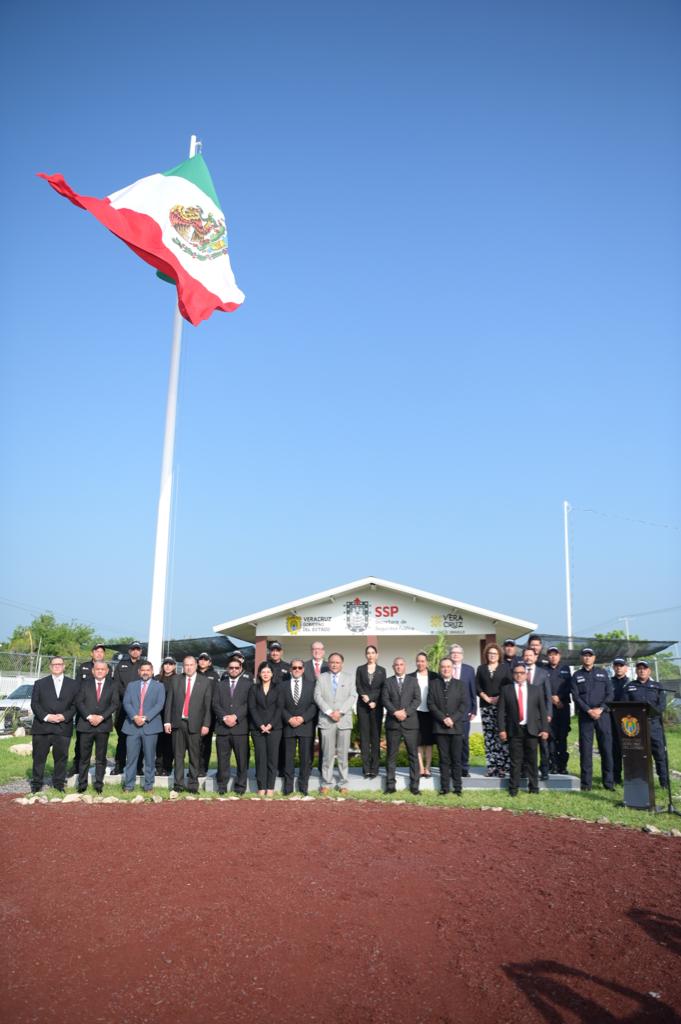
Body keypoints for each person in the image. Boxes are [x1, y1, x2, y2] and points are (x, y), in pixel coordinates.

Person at [498, 663, 549, 796]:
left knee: (532, 760)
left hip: (532, 730)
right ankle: (513, 789)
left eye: (521, 673)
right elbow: (501, 711)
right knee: (515, 761)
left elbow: (542, 710)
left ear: (526, 674)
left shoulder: (535, 689)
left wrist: (545, 729)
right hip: (514, 730)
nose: (519, 675)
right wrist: (502, 729)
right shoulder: (506, 690)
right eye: (516, 673)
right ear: (513, 675)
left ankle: (534, 788)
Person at [30, 656, 80, 793]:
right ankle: (36, 784)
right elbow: (35, 704)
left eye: (59, 664)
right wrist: (47, 717)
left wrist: (64, 716)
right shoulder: (40, 683)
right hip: (42, 727)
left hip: (63, 726)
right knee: (39, 757)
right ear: (50, 667)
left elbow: (76, 704)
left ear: (64, 666)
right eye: (54, 664)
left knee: (61, 758)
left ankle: (58, 784)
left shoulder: (74, 684)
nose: (57, 666)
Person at [164, 655, 213, 793]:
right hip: (178, 723)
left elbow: (207, 706)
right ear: (183, 666)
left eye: (191, 665)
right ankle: (178, 784)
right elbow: (169, 702)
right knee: (178, 756)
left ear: (196, 666)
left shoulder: (205, 682)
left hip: (196, 724)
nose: (189, 667)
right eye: (186, 665)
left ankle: (192, 785)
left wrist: (206, 724)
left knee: (194, 756)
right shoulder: (176, 680)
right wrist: (167, 721)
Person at [571, 647, 615, 791]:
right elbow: (576, 696)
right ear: (581, 658)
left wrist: (600, 709)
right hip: (586, 716)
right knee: (585, 750)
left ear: (594, 658)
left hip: (603, 715)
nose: (587, 658)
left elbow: (610, 694)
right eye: (585, 655)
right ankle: (586, 784)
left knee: (606, 748)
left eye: (590, 655)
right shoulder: (576, 675)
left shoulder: (603, 673)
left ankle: (608, 783)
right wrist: (589, 710)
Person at [623, 660, 669, 789]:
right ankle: (640, 782)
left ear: (649, 671)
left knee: (659, 754)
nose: (642, 670)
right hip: (636, 727)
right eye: (639, 668)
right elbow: (625, 706)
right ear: (636, 671)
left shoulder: (657, 686)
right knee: (638, 756)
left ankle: (664, 783)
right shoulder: (630, 686)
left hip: (654, 725)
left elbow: (661, 705)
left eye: (644, 668)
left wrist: (651, 713)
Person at [121, 660, 166, 793]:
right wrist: (135, 717)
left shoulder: (159, 686)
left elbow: (159, 705)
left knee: (150, 759)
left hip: (150, 726)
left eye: (148, 670)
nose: (145, 672)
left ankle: (148, 785)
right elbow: (126, 703)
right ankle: (129, 786)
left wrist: (145, 718)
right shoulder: (131, 685)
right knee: (131, 759)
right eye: (143, 670)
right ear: (139, 672)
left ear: (152, 672)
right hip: (132, 726)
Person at [314, 652, 355, 795]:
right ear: (328, 663)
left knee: (343, 754)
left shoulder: (349, 678)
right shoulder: (321, 678)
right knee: (327, 754)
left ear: (342, 664)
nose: (334, 665)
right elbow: (317, 696)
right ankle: (326, 782)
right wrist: (330, 712)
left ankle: (343, 783)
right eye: (332, 662)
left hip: (344, 720)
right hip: (327, 720)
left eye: (337, 662)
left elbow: (352, 696)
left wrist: (340, 712)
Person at [75, 658, 118, 793]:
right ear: (93, 671)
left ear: (107, 671)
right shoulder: (84, 684)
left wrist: (101, 717)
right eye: (97, 669)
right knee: (84, 757)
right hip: (86, 724)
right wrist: (89, 716)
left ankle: (99, 784)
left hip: (103, 725)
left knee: (101, 757)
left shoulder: (113, 685)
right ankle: (82, 784)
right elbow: (79, 702)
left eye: (102, 669)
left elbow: (114, 704)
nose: (100, 671)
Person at [427, 657, 468, 795]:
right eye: (443, 666)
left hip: (456, 728)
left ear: (452, 669)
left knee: (456, 759)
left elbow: (464, 705)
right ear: (440, 668)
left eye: (448, 666)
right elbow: (431, 704)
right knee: (444, 759)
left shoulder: (460, 684)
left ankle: (457, 788)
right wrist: (443, 718)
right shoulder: (434, 684)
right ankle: (444, 788)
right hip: (440, 727)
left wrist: (453, 719)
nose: (446, 669)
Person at [212, 656, 251, 795]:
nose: (234, 670)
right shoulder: (220, 684)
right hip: (223, 728)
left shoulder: (248, 684)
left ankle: (240, 787)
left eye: (236, 668)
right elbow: (215, 704)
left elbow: (248, 704)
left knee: (242, 760)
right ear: (227, 669)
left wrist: (236, 716)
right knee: (222, 760)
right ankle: (222, 787)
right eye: (231, 668)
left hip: (240, 728)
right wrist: (224, 717)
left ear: (241, 669)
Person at [382, 657, 421, 795]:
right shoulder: (388, 682)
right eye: (396, 665)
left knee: (413, 755)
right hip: (393, 724)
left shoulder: (413, 681)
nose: (399, 667)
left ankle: (414, 786)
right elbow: (385, 699)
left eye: (401, 664)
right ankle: (390, 786)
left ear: (405, 666)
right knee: (391, 755)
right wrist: (395, 712)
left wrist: (406, 712)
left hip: (410, 723)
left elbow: (417, 699)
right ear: (393, 667)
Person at [280, 658, 318, 795]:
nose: (297, 670)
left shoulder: (311, 685)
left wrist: (303, 718)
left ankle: (303, 788)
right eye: (294, 667)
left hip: (305, 725)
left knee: (305, 759)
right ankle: (288, 788)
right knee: (288, 758)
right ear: (290, 669)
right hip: (288, 725)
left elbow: (314, 705)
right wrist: (289, 718)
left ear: (303, 669)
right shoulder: (282, 685)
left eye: (299, 668)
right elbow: (279, 705)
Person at [475, 642, 511, 778]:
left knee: (501, 735)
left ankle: (502, 767)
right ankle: (491, 767)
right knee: (489, 737)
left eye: (495, 653)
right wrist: (486, 697)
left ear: (499, 655)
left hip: (501, 707)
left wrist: (499, 697)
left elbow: (509, 685)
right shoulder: (481, 669)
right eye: (490, 653)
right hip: (485, 706)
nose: (492, 656)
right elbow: (477, 686)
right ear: (486, 655)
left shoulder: (505, 668)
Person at [71, 642, 108, 773]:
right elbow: (77, 688)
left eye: (101, 651)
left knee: (101, 746)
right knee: (80, 742)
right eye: (96, 651)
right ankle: (77, 766)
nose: (99, 653)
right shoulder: (84, 667)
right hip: (84, 711)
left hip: (101, 713)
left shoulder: (107, 668)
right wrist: (86, 713)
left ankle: (99, 771)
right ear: (92, 653)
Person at [248, 663, 282, 796]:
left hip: (275, 728)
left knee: (272, 758)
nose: (266, 674)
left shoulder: (278, 688)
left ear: (272, 674)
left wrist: (270, 725)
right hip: (258, 729)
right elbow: (252, 708)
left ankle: (270, 787)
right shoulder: (254, 688)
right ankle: (261, 787)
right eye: (263, 672)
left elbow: (279, 708)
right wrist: (261, 725)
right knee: (260, 758)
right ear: (259, 674)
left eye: (268, 672)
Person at [111, 641, 144, 775]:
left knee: (139, 738)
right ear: (129, 651)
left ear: (141, 651)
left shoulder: (145, 665)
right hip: (123, 706)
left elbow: (147, 683)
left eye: (138, 649)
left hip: (140, 707)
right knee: (122, 737)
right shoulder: (121, 664)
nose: (135, 651)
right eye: (133, 649)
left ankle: (138, 767)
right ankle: (119, 765)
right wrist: (128, 696)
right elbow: (116, 684)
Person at [355, 644, 386, 779]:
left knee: (375, 737)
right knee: (364, 737)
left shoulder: (382, 670)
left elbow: (382, 688)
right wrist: (366, 698)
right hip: (363, 706)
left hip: (376, 707)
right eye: (368, 653)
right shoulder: (360, 669)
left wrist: (373, 700)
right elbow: (358, 686)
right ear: (365, 655)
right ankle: (366, 768)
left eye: (373, 652)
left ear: (377, 655)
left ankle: (375, 768)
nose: (370, 655)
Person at [522, 647, 552, 780]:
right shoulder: (519, 672)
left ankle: (544, 770)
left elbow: (548, 695)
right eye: (526, 655)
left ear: (535, 657)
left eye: (531, 655)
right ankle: (526, 770)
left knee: (543, 744)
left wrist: (548, 713)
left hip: (540, 715)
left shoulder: (543, 673)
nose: (528, 657)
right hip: (524, 715)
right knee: (526, 744)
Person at [449, 644, 477, 776]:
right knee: (451, 741)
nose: (455, 655)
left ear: (462, 655)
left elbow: (473, 690)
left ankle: (464, 767)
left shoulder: (469, 670)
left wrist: (474, 709)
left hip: (465, 711)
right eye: (453, 652)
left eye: (458, 653)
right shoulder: (446, 668)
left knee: (464, 740)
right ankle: (452, 767)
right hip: (449, 713)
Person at [545, 647, 572, 774]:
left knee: (562, 736)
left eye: (555, 654)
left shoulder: (565, 669)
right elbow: (542, 687)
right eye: (550, 655)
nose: (553, 657)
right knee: (551, 737)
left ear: (559, 656)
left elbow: (569, 686)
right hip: (549, 707)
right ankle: (554, 765)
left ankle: (563, 765)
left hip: (563, 706)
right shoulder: (544, 670)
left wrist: (559, 698)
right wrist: (552, 698)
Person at [414, 651, 439, 779]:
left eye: (423, 661)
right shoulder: (411, 677)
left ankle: (428, 768)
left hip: (430, 713)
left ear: (427, 662)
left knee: (428, 742)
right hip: (416, 712)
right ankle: (420, 767)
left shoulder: (435, 676)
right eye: (418, 661)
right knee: (418, 742)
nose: (420, 663)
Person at [303, 641, 327, 771]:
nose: (317, 651)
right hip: (308, 707)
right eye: (314, 649)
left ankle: (322, 767)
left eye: (319, 649)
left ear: (323, 651)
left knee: (324, 738)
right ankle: (308, 766)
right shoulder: (304, 666)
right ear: (311, 651)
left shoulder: (329, 666)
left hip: (324, 707)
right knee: (308, 738)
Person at [196, 652, 220, 775]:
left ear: (209, 662)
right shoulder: (193, 673)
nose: (203, 661)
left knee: (206, 742)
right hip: (194, 713)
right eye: (201, 659)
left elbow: (216, 695)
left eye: (205, 659)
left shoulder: (214, 675)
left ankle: (203, 768)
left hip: (209, 714)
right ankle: (194, 768)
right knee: (194, 743)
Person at [154, 657, 178, 776]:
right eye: (166, 664)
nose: (168, 666)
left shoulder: (177, 679)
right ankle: (158, 766)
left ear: (174, 666)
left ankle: (167, 767)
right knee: (158, 742)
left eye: (171, 664)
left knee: (169, 743)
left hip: (171, 716)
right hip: (157, 715)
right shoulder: (157, 678)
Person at [610, 657, 630, 785]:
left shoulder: (631, 683)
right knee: (614, 749)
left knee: (629, 749)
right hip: (612, 719)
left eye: (621, 665)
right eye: (616, 665)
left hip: (627, 721)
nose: (618, 668)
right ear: (613, 667)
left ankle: (630, 777)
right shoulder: (609, 682)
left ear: (626, 668)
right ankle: (616, 777)